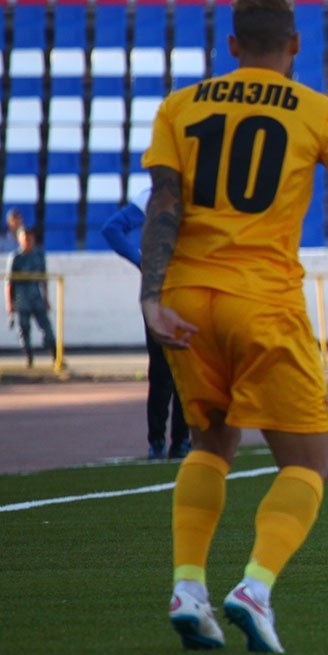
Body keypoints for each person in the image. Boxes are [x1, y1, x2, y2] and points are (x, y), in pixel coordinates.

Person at [140, 0, 328, 654]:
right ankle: (255, 586)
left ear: (232, 45)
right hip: (263, 300)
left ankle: (188, 588)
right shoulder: (314, 110)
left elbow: (163, 203)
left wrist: (152, 296)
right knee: (307, 462)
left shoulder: (180, 107)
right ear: (295, 45)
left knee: (210, 444)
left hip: (188, 296)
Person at [101, 188, 192, 460]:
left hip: (158, 291)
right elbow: (111, 229)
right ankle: (179, 442)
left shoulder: (154, 194)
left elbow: (112, 229)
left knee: (162, 371)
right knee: (185, 369)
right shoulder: (186, 191)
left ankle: (157, 443)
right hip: (185, 289)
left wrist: (144, 261)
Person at [4, 225, 57, 367]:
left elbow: (43, 279)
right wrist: (9, 303)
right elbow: (9, 282)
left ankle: (55, 355)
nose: (28, 241)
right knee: (24, 328)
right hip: (21, 296)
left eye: (30, 238)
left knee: (46, 325)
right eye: (25, 238)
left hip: (35, 294)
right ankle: (29, 356)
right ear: (19, 240)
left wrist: (46, 298)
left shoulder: (39, 256)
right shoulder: (15, 258)